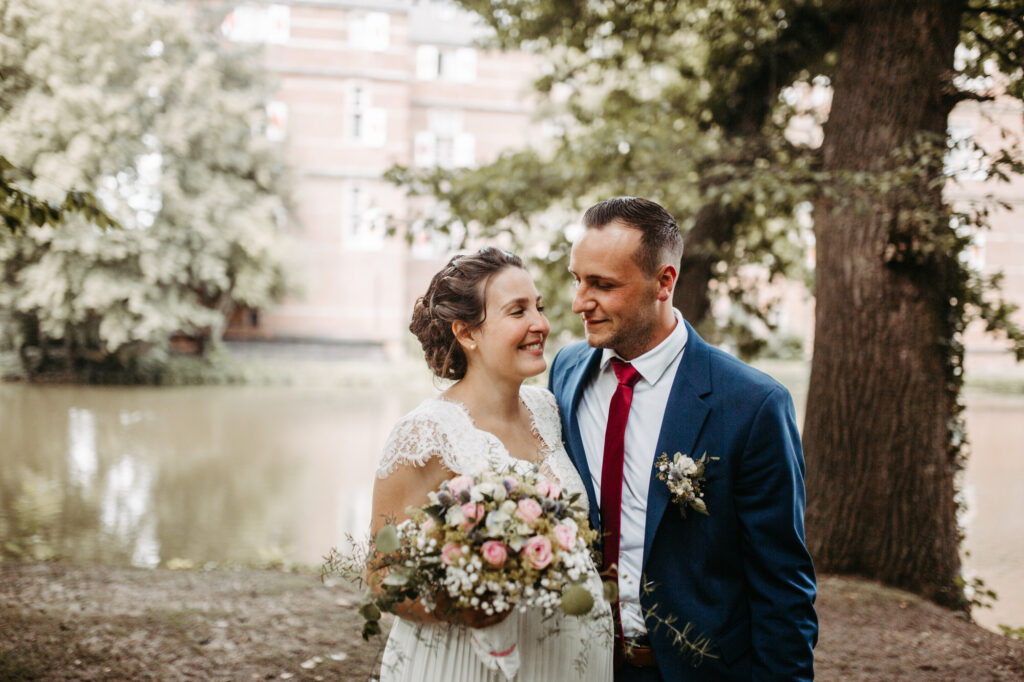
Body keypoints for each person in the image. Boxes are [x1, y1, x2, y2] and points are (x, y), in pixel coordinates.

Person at [548, 197, 818, 681]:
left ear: (664, 282)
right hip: (579, 666)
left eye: (603, 285)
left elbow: (784, 589)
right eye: (577, 279)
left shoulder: (753, 405)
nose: (579, 303)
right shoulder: (566, 372)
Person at [370, 247, 613, 682]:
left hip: (564, 662)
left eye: (537, 307)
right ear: (467, 333)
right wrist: (469, 599)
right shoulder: (424, 433)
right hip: (469, 664)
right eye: (517, 311)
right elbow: (382, 579)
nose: (540, 324)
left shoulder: (548, 410)